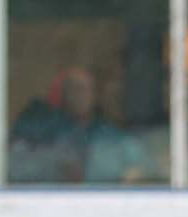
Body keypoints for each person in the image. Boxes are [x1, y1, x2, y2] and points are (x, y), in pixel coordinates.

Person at [9, 67, 150, 183]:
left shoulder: (108, 135)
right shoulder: (41, 129)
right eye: (76, 89)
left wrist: (137, 173)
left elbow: (144, 168)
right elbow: (12, 167)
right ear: (63, 94)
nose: (83, 95)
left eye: (88, 89)